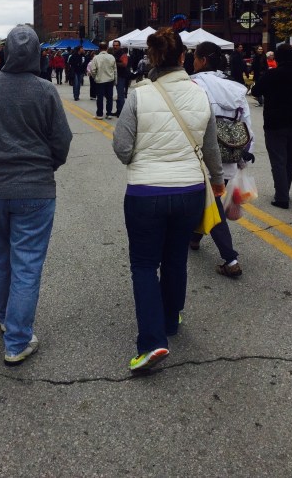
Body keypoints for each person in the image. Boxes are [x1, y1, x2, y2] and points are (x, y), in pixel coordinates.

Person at [112, 27, 224, 374]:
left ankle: (151, 341)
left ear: (152, 58)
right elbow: (210, 147)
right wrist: (217, 182)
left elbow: (122, 148)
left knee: (144, 265)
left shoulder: (139, 95)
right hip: (190, 190)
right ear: (182, 57)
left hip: (146, 192)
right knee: (176, 257)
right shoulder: (199, 94)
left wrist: (141, 160)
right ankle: (171, 320)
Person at [0, 25, 72, 365]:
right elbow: (62, 141)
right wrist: (47, 166)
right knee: (27, 263)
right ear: (37, 53)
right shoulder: (45, 91)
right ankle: (17, 340)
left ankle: (5, 317)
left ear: (6, 52)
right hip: (35, 188)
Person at [190, 41, 255, 277]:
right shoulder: (235, 89)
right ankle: (194, 238)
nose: (193, 61)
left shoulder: (193, 84)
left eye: (195, 57)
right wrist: (245, 155)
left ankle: (230, 259)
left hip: (201, 157)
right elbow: (246, 125)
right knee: (209, 200)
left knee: (213, 206)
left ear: (203, 60)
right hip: (228, 156)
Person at [251, 44, 292, 209]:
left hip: (275, 121)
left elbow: (256, 91)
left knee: (278, 159)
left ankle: (281, 196)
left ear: (277, 58)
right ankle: (285, 190)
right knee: (290, 156)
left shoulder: (271, 75)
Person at [90, 41, 117, 119]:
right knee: (109, 98)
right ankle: (109, 113)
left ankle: (99, 114)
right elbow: (115, 70)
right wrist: (115, 80)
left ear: (99, 48)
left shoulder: (96, 58)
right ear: (107, 48)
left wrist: (95, 77)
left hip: (100, 80)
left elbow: (93, 70)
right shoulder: (112, 57)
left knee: (100, 98)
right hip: (110, 80)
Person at [112, 40, 130, 116]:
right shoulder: (114, 53)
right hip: (116, 76)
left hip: (121, 76)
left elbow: (124, 64)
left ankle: (121, 112)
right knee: (117, 95)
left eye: (117, 45)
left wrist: (114, 63)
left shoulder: (123, 54)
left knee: (120, 95)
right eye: (114, 45)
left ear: (119, 46)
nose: (115, 46)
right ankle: (118, 110)